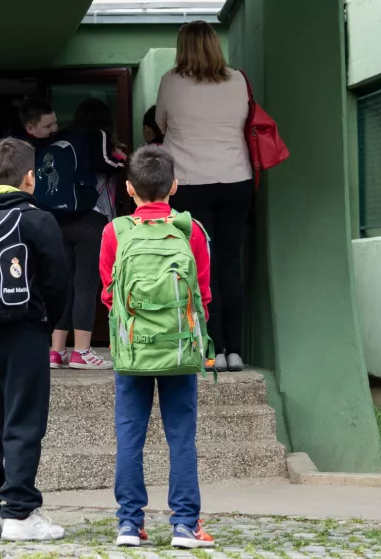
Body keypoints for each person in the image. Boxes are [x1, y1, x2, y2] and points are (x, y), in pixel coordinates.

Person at [99, 145, 214, 550]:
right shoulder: (192, 231)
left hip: (132, 353)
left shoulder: (114, 232)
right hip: (179, 351)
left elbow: (110, 296)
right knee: (181, 437)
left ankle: (129, 524)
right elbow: (203, 295)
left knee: (130, 436)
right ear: (175, 186)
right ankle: (185, 525)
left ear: (129, 189)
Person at [0, 138, 70, 541]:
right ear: (30, 178)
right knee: (22, 422)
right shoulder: (39, 220)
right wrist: (47, 323)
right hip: (24, 331)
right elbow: (59, 283)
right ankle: (21, 514)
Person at [156, 20, 254, 372]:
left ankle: (210, 351)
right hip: (235, 179)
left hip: (190, 183)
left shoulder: (171, 81)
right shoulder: (238, 79)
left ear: (183, 48)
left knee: (198, 267)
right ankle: (235, 351)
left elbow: (161, 122)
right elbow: (243, 121)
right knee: (231, 263)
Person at [50, 98, 126, 370]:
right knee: (85, 284)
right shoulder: (99, 136)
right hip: (90, 219)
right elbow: (106, 163)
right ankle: (82, 351)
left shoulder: (64, 139)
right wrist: (121, 159)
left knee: (65, 284)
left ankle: (56, 351)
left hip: (60, 220)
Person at [0, 97, 58, 193]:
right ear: (30, 128)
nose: (55, 129)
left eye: (55, 123)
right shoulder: (3, 154)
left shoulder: (59, 148)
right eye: (47, 126)